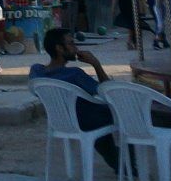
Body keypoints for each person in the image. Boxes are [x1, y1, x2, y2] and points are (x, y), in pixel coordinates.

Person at [30, 27, 118, 170]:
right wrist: (96, 64)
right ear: (59, 48)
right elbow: (106, 91)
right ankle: (126, 160)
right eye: (71, 44)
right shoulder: (74, 74)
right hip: (86, 120)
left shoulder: (36, 71)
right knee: (123, 113)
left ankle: (118, 161)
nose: (76, 48)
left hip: (61, 121)